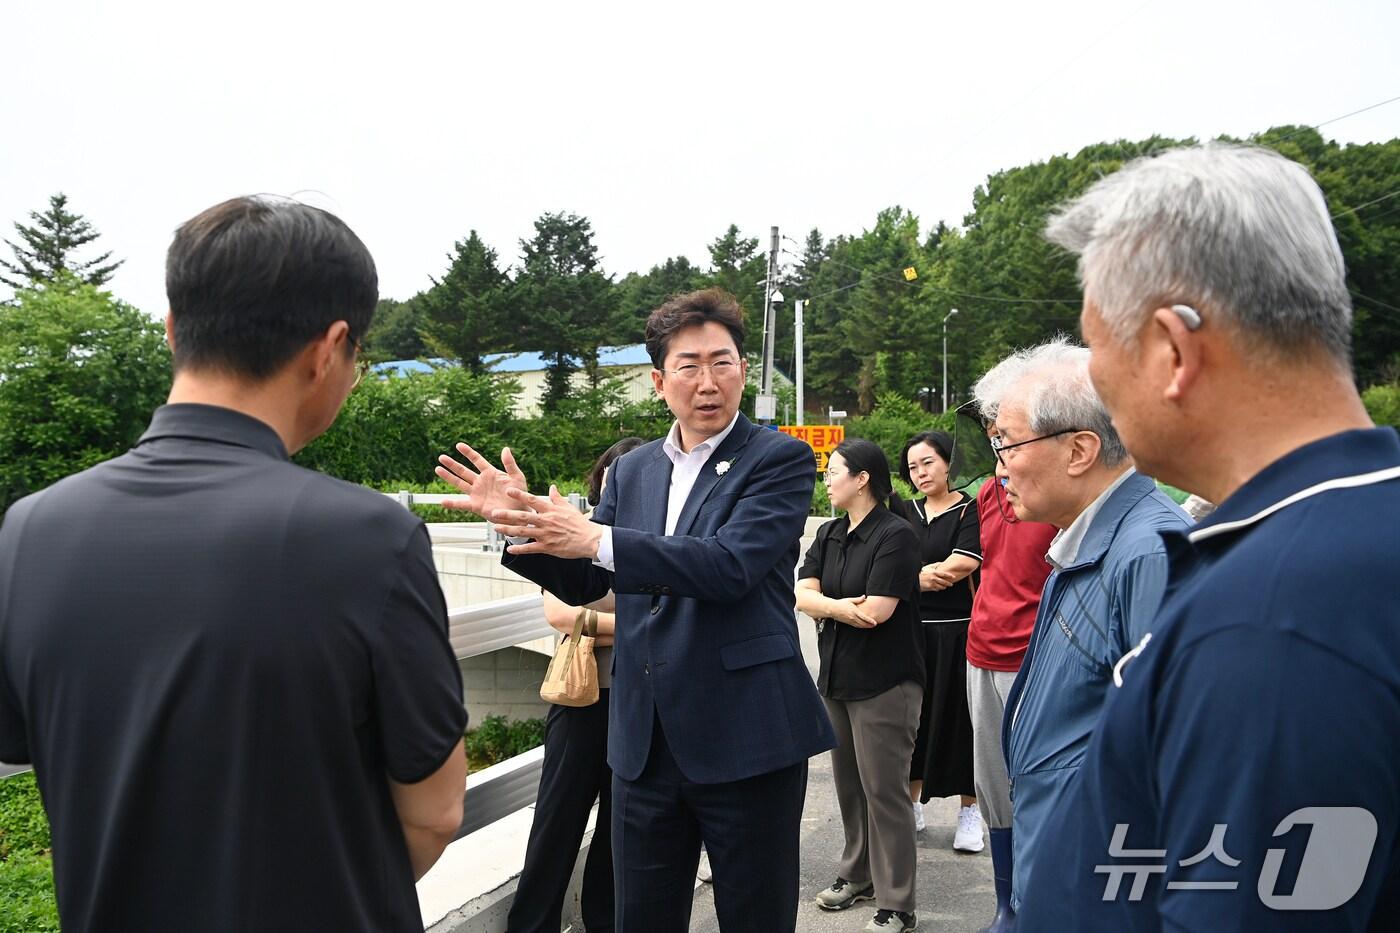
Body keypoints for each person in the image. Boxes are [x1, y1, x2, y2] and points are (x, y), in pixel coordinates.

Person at [0, 197, 468, 932]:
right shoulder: (372, 538)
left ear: (172, 329)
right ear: (329, 348)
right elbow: (435, 811)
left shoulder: (28, 529)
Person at [1020, 143, 1400, 930]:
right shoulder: (1350, 527)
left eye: (1096, 346)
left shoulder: (1272, 619)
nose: (1092, 378)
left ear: (1173, 350)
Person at [434, 288, 836, 933]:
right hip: (643, 742)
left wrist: (596, 536)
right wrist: (518, 526)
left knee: (754, 917)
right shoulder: (634, 471)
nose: (709, 382)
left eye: (723, 362)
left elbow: (728, 567)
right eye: (689, 365)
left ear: (743, 368)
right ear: (659, 380)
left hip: (747, 734)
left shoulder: (778, 459)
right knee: (638, 918)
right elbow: (591, 581)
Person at [994, 338, 1190, 914]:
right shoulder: (1090, 539)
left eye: (1006, 444)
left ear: (1080, 450)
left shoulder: (1148, 555)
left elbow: (1167, 771)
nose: (998, 467)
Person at [506, 436, 643, 933]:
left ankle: (604, 923)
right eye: (612, 470)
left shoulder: (656, 539)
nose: (618, 479)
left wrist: (611, 619)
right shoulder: (577, 535)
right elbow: (560, 612)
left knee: (618, 830)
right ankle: (531, 924)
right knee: (556, 819)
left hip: (638, 704)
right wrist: (640, 620)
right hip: (583, 697)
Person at [796, 438, 924, 933]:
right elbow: (803, 594)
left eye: (834, 471)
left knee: (885, 791)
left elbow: (877, 612)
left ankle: (898, 902)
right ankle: (858, 874)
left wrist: (838, 606)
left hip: (886, 681)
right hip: (838, 677)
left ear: (863, 478)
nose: (826, 480)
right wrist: (841, 607)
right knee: (850, 787)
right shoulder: (829, 533)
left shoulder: (897, 535)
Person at [961, 358, 1058, 933]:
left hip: (1032, 656)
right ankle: (1006, 905)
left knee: (1039, 784)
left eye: (1008, 435)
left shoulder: (1052, 497)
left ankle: (1039, 901)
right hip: (981, 649)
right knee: (993, 785)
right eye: (994, 435)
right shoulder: (986, 499)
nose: (999, 445)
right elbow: (986, 571)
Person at [889, 431, 983, 852]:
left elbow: (962, 564)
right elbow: (891, 562)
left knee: (963, 722)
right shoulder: (903, 510)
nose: (920, 472)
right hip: (910, 631)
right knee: (913, 721)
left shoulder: (969, 509)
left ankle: (970, 813)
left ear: (947, 463)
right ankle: (912, 806)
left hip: (959, 631)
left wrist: (914, 577)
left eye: (928, 462)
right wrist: (917, 578)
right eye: (912, 466)